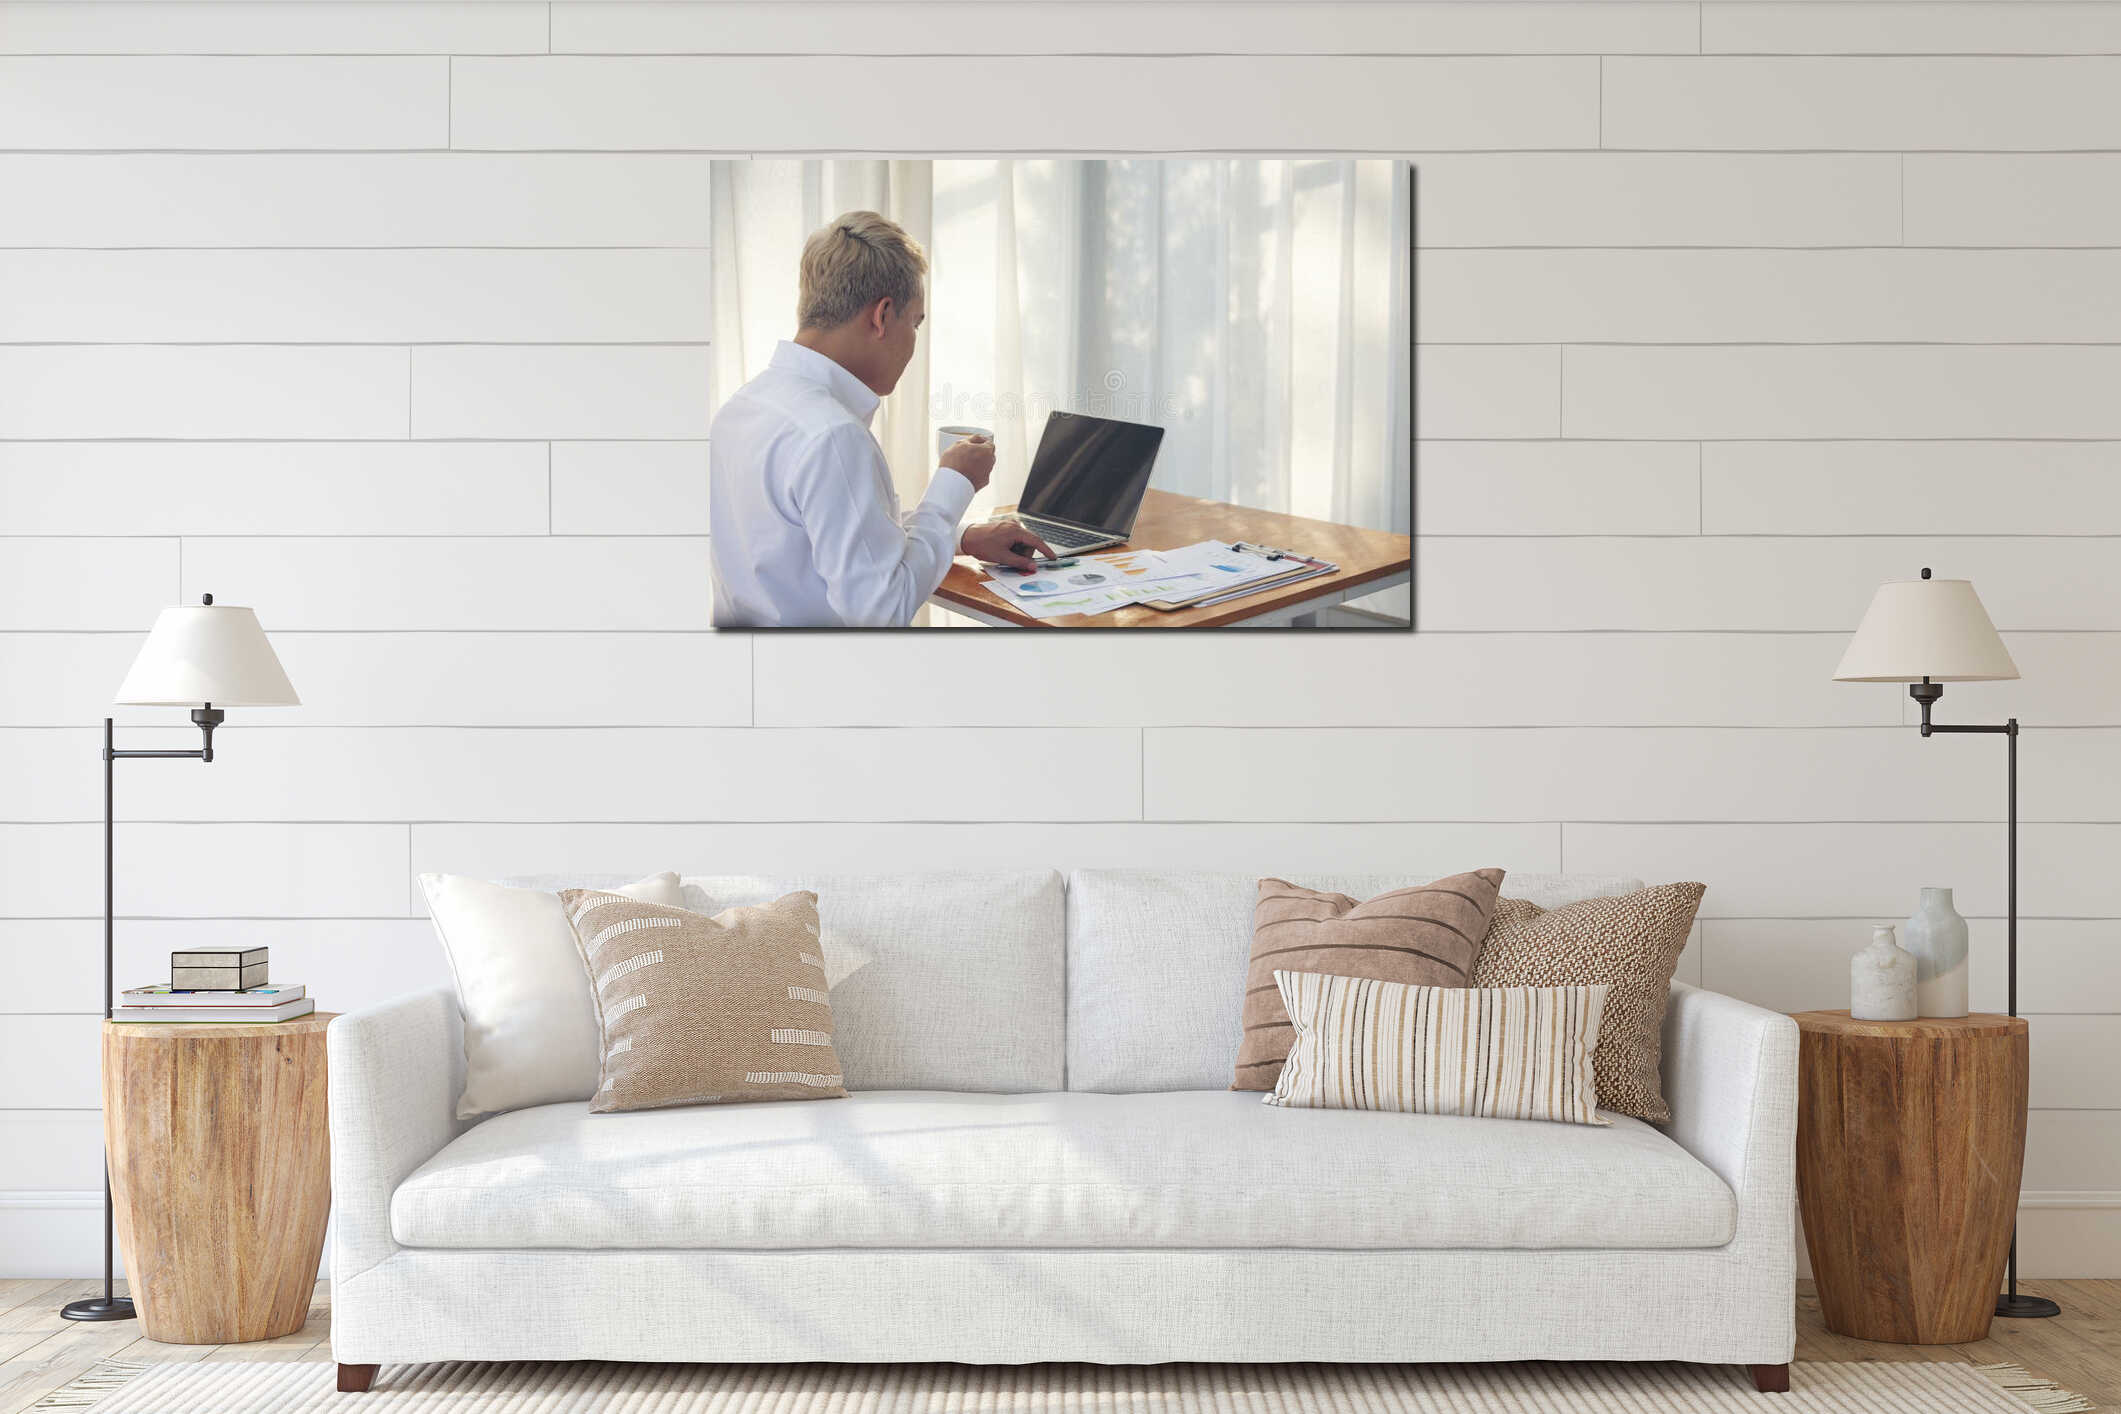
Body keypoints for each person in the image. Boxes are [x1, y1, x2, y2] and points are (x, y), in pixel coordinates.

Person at [709, 211, 1052, 628]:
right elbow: (883, 610)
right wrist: (954, 483)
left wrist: (961, 537)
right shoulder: (832, 436)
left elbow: (831, 536)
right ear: (882, 315)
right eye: (915, 323)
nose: (913, 342)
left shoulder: (741, 408)